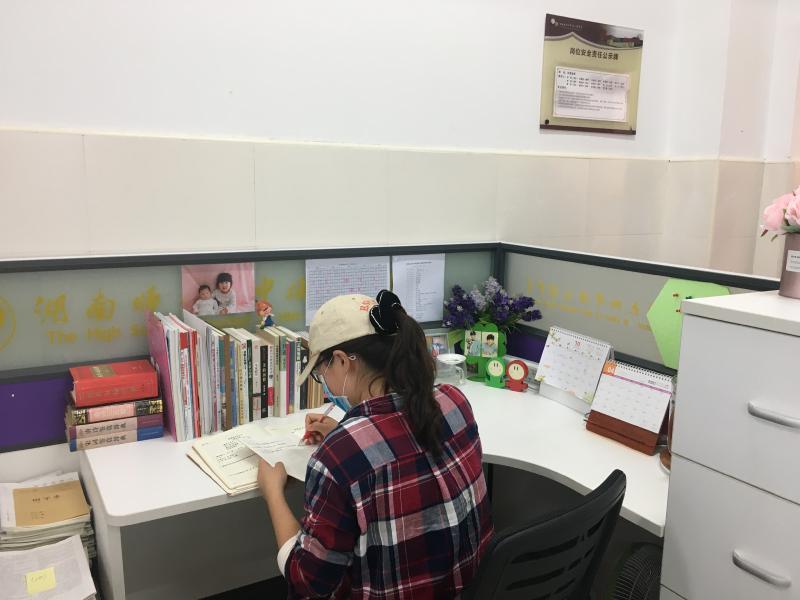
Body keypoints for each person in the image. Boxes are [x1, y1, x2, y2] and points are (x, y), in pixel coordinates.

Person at [257, 290, 493, 599]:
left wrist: (272, 492)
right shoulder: (454, 401)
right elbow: (405, 441)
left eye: (320, 373)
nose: (324, 383)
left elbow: (310, 584)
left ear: (342, 361)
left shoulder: (338, 455)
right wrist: (346, 433)